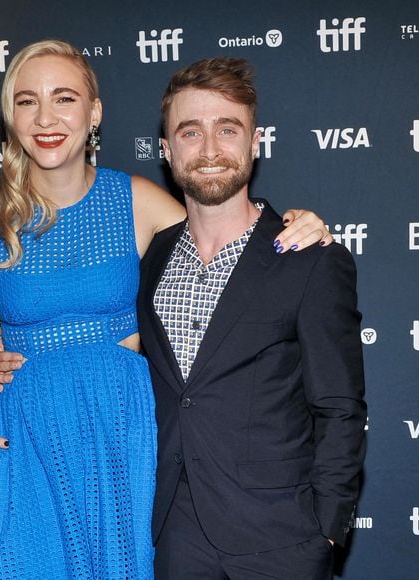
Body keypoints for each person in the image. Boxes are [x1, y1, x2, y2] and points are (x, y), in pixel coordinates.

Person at [0, 39, 332, 579]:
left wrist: (300, 223)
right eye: (26, 100)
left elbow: (227, 236)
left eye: (64, 98)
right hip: (26, 441)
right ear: (8, 115)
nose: (45, 117)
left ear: (95, 112)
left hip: (123, 432)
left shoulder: (136, 201)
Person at [137, 58, 366, 579]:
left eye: (228, 129)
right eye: (190, 132)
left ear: (255, 141)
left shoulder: (309, 258)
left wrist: (325, 529)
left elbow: (340, 409)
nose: (211, 149)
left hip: (281, 539)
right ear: (167, 150)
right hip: (174, 535)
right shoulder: (152, 257)